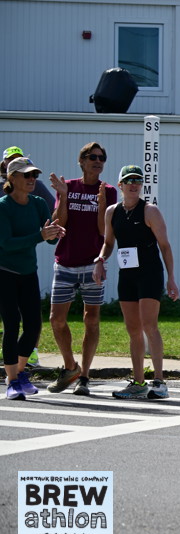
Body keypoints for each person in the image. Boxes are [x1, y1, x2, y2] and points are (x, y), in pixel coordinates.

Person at [93, 165, 179, 400]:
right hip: (127, 275)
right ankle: (139, 382)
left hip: (149, 273)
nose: (133, 184)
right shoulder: (112, 212)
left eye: (138, 181)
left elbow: (165, 246)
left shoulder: (150, 211)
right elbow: (108, 243)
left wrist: (171, 278)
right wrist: (100, 260)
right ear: (120, 185)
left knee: (149, 325)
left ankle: (159, 382)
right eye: (129, 180)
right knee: (133, 329)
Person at [45, 142, 117, 396]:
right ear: (82, 161)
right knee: (56, 320)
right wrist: (64, 196)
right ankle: (70, 367)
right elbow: (59, 225)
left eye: (102, 158)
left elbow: (103, 231)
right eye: (92, 157)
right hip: (65, 263)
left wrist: (102, 203)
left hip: (92, 264)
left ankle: (84, 376)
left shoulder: (108, 191)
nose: (98, 161)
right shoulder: (69, 186)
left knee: (92, 319)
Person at [0, 157, 65, 400]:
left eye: (34, 175)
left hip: (28, 272)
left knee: (34, 326)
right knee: (12, 324)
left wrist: (54, 232)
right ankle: (12, 381)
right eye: (26, 175)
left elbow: (50, 240)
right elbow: (6, 243)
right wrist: (40, 235)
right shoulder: (3, 206)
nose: (32, 179)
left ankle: (19, 372)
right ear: (12, 178)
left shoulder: (38, 203)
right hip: (5, 272)